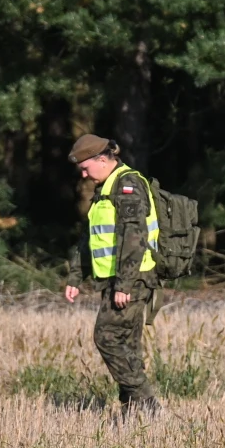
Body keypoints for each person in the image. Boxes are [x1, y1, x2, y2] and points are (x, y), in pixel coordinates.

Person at [63, 134, 162, 414]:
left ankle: (147, 404)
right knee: (128, 345)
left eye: (85, 167)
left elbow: (135, 236)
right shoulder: (105, 188)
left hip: (133, 279)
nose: (83, 174)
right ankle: (134, 412)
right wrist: (75, 278)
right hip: (115, 280)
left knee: (106, 337)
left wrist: (124, 284)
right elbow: (91, 237)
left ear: (102, 159)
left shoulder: (128, 184)